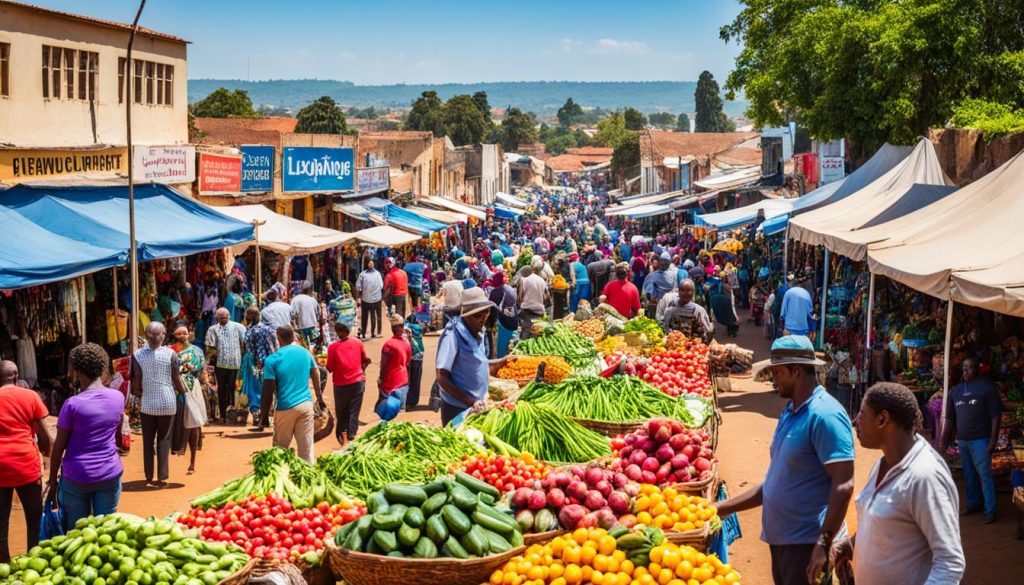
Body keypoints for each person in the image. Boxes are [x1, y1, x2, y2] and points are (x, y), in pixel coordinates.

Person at [715, 335, 855, 585]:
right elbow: (774, 483)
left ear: (796, 371)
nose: (773, 379)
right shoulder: (790, 412)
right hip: (783, 541)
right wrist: (719, 509)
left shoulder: (825, 415)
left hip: (806, 544)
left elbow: (844, 485)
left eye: (778, 373)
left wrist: (824, 545)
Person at [831, 383, 965, 584]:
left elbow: (950, 563)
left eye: (862, 413)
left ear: (882, 419)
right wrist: (850, 546)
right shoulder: (883, 464)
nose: (855, 420)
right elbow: (886, 525)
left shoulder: (924, 476)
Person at [48, 343, 124, 528]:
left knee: (76, 533)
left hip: (76, 477)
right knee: (106, 531)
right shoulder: (118, 398)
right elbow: (118, 436)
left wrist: (52, 481)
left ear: (77, 371)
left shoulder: (72, 404)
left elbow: (58, 447)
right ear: (102, 367)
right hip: (109, 473)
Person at [940, 356, 1001, 523]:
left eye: (970, 367)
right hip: (963, 440)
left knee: (984, 475)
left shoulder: (987, 388)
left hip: (981, 440)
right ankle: (974, 503)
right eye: (964, 367)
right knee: (969, 474)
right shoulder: (956, 391)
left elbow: (995, 415)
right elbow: (950, 418)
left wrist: (993, 440)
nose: (966, 371)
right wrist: (944, 440)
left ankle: (990, 510)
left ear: (977, 369)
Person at [0, 378, 51, 561]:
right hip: (26, 464)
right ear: (16, 377)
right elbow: (46, 436)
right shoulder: (30, 396)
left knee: (1, 521)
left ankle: (3, 566)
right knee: (33, 516)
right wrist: (46, 459)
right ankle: (33, 560)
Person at [258, 326, 325, 464]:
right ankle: (308, 481)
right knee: (306, 449)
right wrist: (319, 397)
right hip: (306, 405)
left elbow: (267, 390)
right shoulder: (305, 353)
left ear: (278, 339)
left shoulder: (272, 359)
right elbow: (316, 373)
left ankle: (280, 480)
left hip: (285, 407)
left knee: (279, 451)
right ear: (293, 337)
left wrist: (264, 416)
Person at [132, 322, 187, 486]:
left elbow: (137, 382)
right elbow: (177, 379)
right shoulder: (171, 354)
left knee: (148, 440)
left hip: (148, 404)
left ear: (147, 337)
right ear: (162, 336)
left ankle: (148, 475)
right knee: (164, 439)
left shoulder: (137, 355)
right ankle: (162, 477)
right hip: (167, 402)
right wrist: (185, 394)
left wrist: (139, 393)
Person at [436, 288, 498, 426]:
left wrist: (503, 362)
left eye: (486, 313)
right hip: (457, 408)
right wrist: (470, 401)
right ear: (466, 315)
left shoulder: (477, 332)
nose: (483, 319)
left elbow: (479, 363)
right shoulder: (452, 335)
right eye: (478, 316)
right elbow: (441, 376)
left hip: (477, 405)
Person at [325, 321, 370, 445]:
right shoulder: (358, 343)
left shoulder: (332, 347)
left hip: (341, 384)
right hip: (357, 382)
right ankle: (351, 436)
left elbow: (329, 368)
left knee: (342, 412)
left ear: (339, 332)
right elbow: (365, 360)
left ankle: (343, 437)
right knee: (353, 411)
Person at [172, 326, 207, 474]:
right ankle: (177, 447)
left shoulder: (196, 351)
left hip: (192, 389)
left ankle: (192, 461)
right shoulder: (169, 351)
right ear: (174, 335)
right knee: (177, 422)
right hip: (174, 390)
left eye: (185, 332)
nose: (183, 335)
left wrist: (192, 370)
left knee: (194, 423)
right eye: (179, 333)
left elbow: (201, 371)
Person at [205, 308, 247, 422]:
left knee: (235, 389)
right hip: (220, 365)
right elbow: (211, 349)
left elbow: (245, 342)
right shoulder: (213, 329)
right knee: (221, 390)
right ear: (216, 318)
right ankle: (223, 415)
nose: (224, 318)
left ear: (229, 316)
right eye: (221, 316)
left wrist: (244, 359)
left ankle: (234, 414)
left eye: (226, 316)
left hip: (236, 364)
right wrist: (209, 364)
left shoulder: (238, 327)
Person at [242, 307, 276, 426]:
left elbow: (250, 349)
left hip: (254, 364)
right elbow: (273, 347)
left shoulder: (251, 331)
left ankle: (257, 414)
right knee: (269, 389)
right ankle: (267, 414)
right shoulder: (269, 329)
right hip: (270, 363)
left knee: (254, 389)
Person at [377, 315, 412, 420]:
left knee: (388, 416)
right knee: (401, 415)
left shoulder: (388, 345)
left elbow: (384, 365)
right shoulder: (406, 344)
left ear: (392, 329)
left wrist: (381, 379)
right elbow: (408, 363)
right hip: (403, 382)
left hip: (391, 384)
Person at [488, 271, 519, 358]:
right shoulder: (509, 288)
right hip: (514, 319)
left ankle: (501, 360)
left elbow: (492, 308)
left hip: (504, 321)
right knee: (511, 343)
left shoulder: (497, 291)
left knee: (501, 345)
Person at [517, 265, 549, 341]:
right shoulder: (541, 280)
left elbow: (519, 297)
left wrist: (519, 305)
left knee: (526, 333)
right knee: (538, 332)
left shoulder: (523, 280)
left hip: (528, 310)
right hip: (540, 311)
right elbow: (547, 296)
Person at [355, 260, 384, 339]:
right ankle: (363, 333)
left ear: (374, 264)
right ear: (366, 264)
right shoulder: (362, 274)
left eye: (372, 263)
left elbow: (381, 285)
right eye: (369, 263)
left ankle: (373, 333)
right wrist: (359, 295)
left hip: (376, 299)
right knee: (365, 317)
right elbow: (358, 286)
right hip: (366, 299)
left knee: (374, 317)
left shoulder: (377, 274)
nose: (370, 264)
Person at [642, 252, 675, 318]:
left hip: (656, 307)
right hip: (669, 307)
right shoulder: (673, 275)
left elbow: (648, 295)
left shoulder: (651, 276)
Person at [404, 315, 426, 410]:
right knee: (416, 379)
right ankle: (413, 401)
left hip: (410, 355)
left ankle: (406, 400)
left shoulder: (407, 326)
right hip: (419, 355)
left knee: (407, 378)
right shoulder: (419, 328)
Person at [291, 282, 320, 348]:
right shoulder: (313, 300)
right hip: (312, 326)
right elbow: (318, 314)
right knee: (313, 346)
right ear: (309, 290)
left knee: (303, 346)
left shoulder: (295, 299)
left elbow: (292, 315)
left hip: (300, 327)